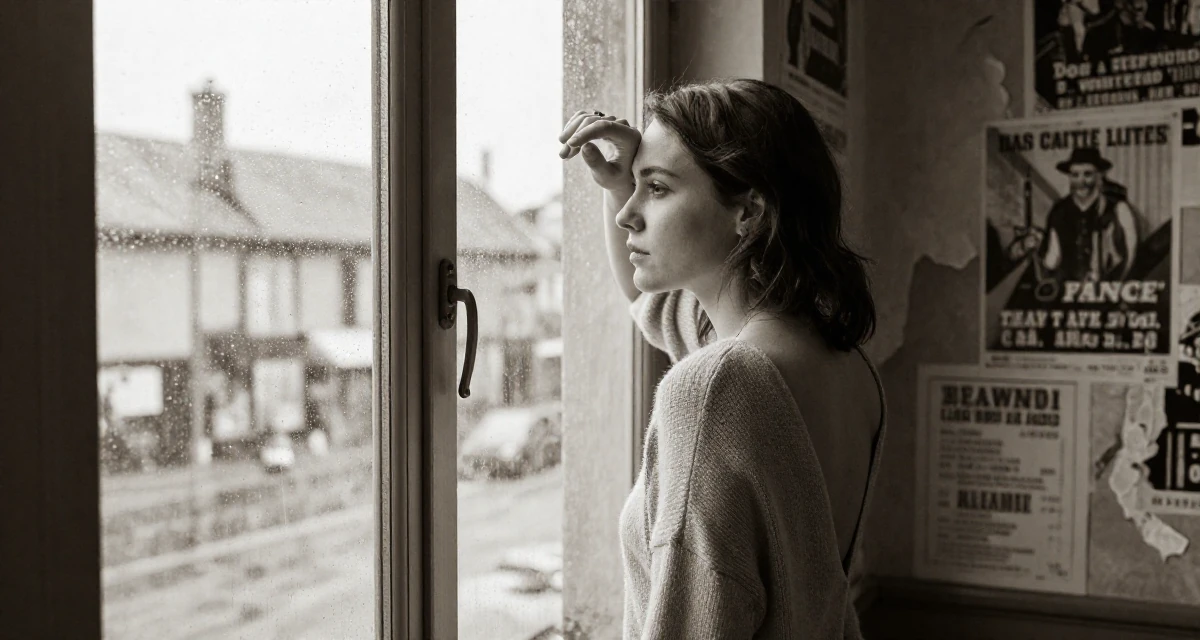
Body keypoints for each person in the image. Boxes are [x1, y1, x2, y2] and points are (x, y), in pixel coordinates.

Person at [559, 78, 886, 637]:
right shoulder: (847, 365)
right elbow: (645, 299)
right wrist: (621, 185)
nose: (626, 215)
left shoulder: (717, 388)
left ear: (750, 212)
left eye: (657, 189)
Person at [1009, 146, 1139, 285]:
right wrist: (1033, 245)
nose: (1081, 181)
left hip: (1110, 292)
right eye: (1075, 175)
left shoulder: (1118, 209)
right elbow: (1052, 260)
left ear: (1099, 175)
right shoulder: (1059, 211)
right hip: (1069, 294)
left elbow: (1132, 256)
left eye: (1087, 174)